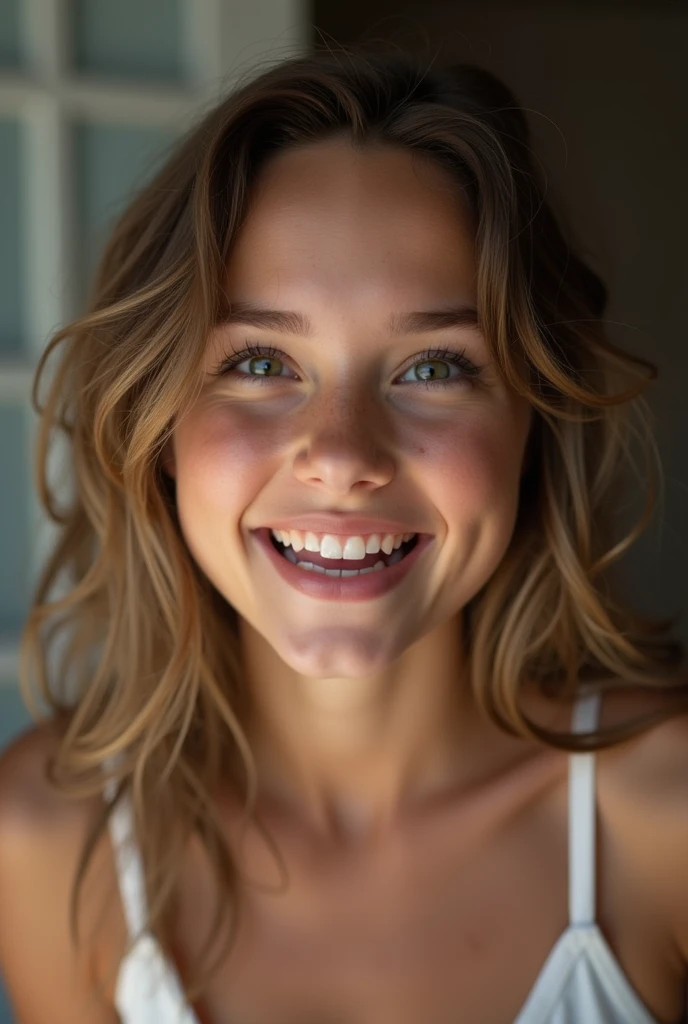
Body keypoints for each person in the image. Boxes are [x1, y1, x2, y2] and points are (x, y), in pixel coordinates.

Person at [0, 44, 687, 1024]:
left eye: (433, 368)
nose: (341, 453)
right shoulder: (49, 835)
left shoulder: (666, 818)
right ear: (159, 426)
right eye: (263, 359)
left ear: (530, 421)